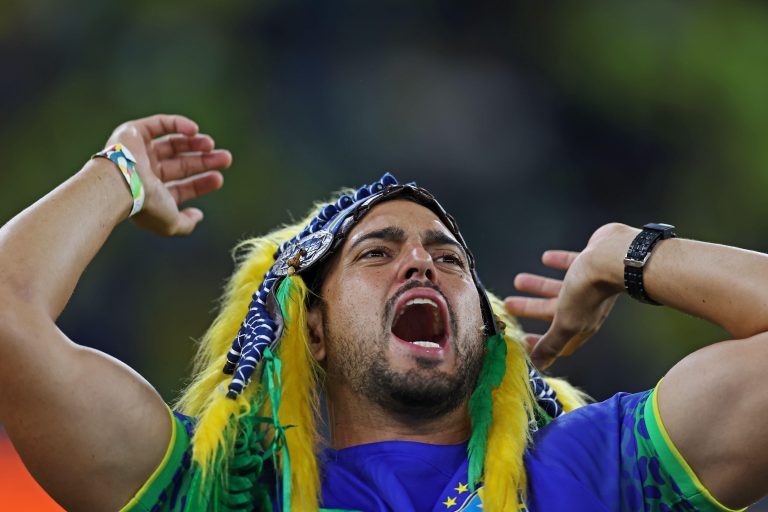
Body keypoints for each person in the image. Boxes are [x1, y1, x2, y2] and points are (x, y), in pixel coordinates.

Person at [0, 114, 766, 512]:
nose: (421, 261)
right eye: (376, 252)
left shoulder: (592, 472)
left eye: (449, 257)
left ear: (488, 325)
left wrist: (630, 255)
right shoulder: (219, 493)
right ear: (314, 330)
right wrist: (121, 173)